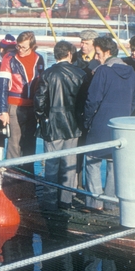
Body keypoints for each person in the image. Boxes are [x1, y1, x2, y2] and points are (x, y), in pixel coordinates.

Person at [82, 35, 135, 211]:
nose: (96, 58)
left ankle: (95, 202)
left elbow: (92, 100)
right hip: (121, 125)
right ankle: (111, 202)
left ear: (107, 52)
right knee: (115, 163)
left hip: (100, 123)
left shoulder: (103, 71)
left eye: (98, 54)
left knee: (92, 161)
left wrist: (87, 120)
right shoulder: (132, 72)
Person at [34, 40, 86, 210]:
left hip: (52, 123)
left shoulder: (48, 73)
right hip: (73, 124)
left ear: (55, 54)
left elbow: (39, 100)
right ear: (70, 54)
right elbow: (84, 100)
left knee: (52, 164)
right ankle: (66, 200)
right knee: (69, 164)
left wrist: (41, 117)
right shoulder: (80, 73)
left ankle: (49, 201)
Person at [0, 30, 44, 163]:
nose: (20, 50)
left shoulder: (39, 59)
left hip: (32, 107)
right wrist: (3, 111)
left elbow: (42, 87)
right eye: (18, 46)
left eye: (24, 47)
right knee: (14, 144)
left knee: (30, 145)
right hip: (14, 106)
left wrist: (41, 110)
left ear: (32, 46)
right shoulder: (9, 58)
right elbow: (2, 87)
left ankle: (27, 181)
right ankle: (12, 180)